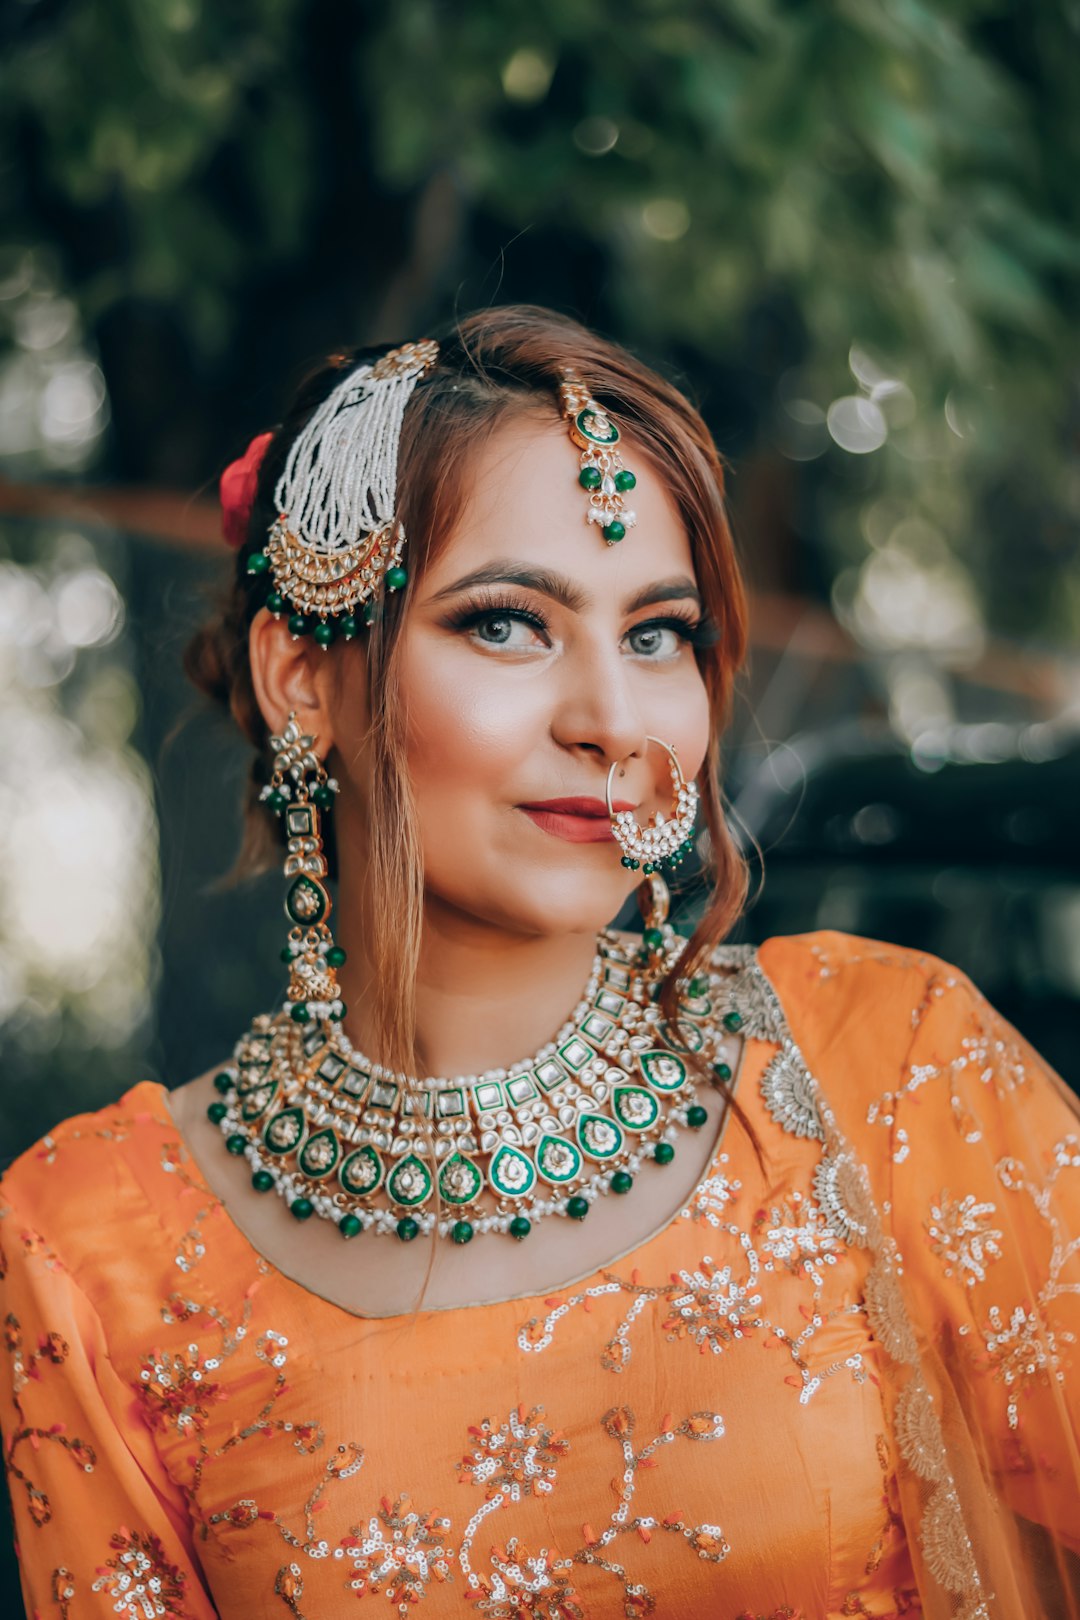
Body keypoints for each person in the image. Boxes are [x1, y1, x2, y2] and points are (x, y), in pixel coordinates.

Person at [1, 306, 1077, 1620]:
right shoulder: (90, 1249)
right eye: (509, 623)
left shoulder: (887, 1066)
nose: (612, 720)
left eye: (658, 633)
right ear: (302, 679)